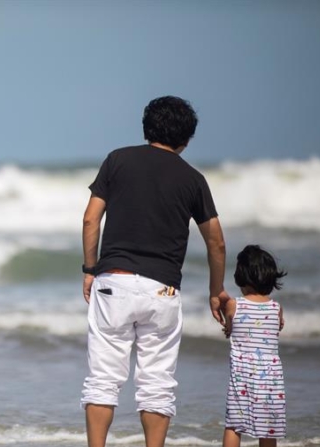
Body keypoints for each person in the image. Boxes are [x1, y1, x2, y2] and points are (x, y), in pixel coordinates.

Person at [80, 96, 231, 447]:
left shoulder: (117, 160)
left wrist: (90, 269)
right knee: (157, 383)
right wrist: (215, 290)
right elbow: (217, 243)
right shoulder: (193, 180)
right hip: (162, 290)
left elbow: (90, 219)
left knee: (103, 378)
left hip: (112, 282)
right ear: (186, 139)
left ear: (147, 128)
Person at [222, 245, 287, 447]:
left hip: (243, 375)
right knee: (269, 426)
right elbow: (275, 330)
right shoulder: (276, 308)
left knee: (234, 423)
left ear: (241, 275)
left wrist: (228, 327)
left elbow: (230, 327)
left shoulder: (235, 305)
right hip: (270, 376)